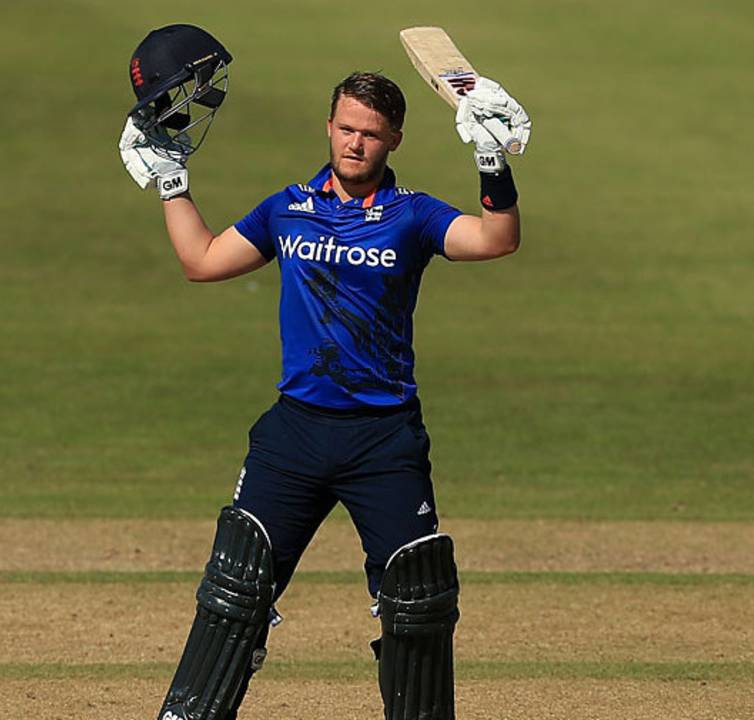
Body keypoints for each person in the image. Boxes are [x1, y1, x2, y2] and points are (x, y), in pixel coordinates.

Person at [119, 25, 531, 720]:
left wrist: (492, 160)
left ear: (394, 138)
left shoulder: (413, 216)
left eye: (370, 133)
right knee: (235, 588)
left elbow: (497, 238)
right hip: (295, 436)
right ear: (329, 127)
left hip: (384, 441)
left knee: (419, 599)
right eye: (345, 128)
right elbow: (203, 261)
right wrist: (171, 184)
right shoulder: (288, 209)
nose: (355, 143)